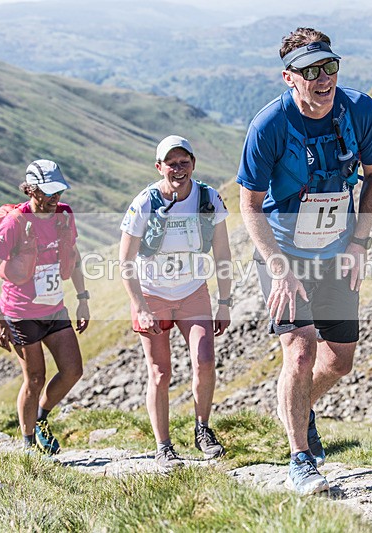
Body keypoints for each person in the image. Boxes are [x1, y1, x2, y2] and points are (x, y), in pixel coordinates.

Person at [237, 28, 372, 495]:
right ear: (289, 77)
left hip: (339, 251)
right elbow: (249, 204)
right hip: (284, 255)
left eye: (330, 67)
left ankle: (294, 405)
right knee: (299, 350)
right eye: (309, 71)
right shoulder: (269, 126)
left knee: (339, 363)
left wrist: (359, 242)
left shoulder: (359, 109)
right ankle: (300, 460)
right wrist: (278, 267)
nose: (323, 79)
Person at [120, 135, 232, 470]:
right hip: (152, 295)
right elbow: (125, 260)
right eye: (171, 164)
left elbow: (223, 254)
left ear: (193, 164)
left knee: (206, 360)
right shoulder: (144, 203)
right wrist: (139, 305)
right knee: (160, 372)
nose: (178, 170)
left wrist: (224, 302)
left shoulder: (208, 199)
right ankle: (163, 446)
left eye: (184, 163)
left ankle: (203, 430)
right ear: (159, 167)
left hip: (193, 291)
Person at [0, 159, 90, 456]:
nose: (55, 199)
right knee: (35, 378)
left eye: (59, 192)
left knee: (73, 370)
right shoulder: (16, 222)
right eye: (48, 192)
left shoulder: (64, 216)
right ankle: (28, 445)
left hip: (54, 309)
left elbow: (75, 256)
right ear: (31, 190)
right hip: (20, 313)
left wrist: (83, 299)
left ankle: (41, 418)